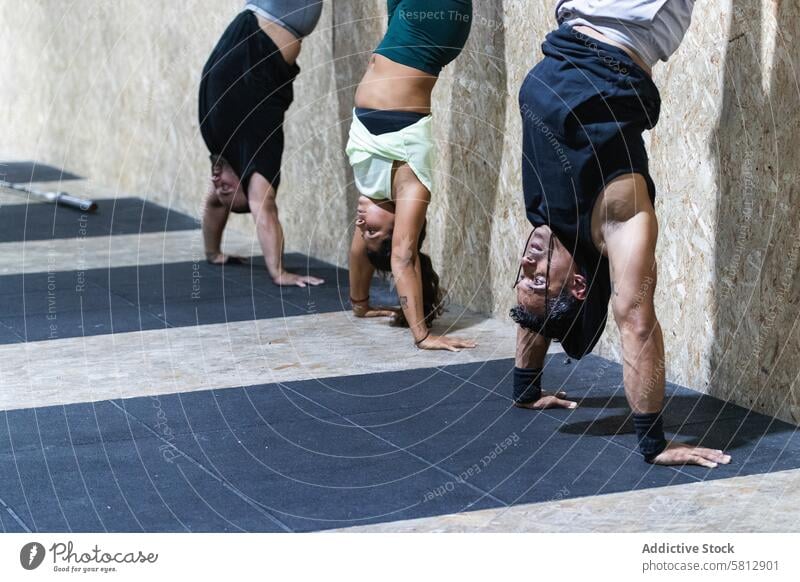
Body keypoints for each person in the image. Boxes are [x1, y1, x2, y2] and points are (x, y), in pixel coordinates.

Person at [511, 0, 732, 468]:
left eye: (521, 273)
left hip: (575, 22)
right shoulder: (616, 219)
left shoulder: (547, 225)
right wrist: (655, 444)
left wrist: (526, 388)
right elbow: (634, 319)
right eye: (537, 278)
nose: (527, 262)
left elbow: (535, 315)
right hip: (630, 27)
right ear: (576, 284)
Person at [346, 0, 477, 351]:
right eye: (372, 229)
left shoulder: (371, 191)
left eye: (363, 231)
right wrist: (422, 335)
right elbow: (402, 256)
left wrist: (361, 304)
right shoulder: (410, 186)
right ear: (398, 225)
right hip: (430, 32)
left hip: (401, 28)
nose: (360, 223)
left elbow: (362, 250)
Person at [199, 1, 325, 287]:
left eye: (220, 190)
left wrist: (212, 252)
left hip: (274, 14)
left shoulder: (222, 147)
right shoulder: (256, 151)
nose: (218, 184)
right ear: (247, 181)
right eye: (227, 190)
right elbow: (262, 205)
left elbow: (215, 204)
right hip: (275, 15)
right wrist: (278, 272)